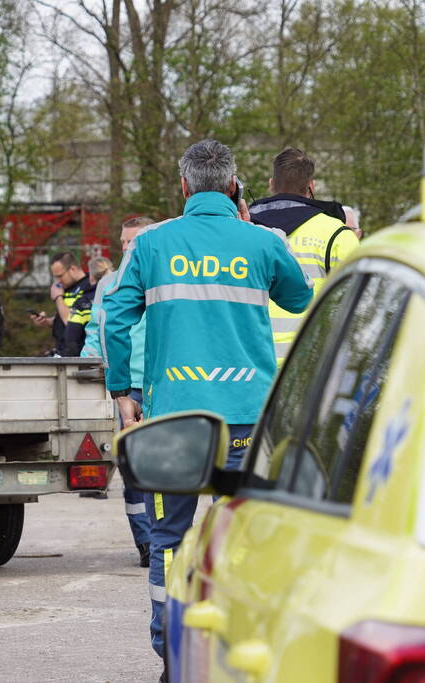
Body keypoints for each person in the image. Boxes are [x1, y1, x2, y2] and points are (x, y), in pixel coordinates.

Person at [103, 139, 313, 663]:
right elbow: (301, 297)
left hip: (175, 420)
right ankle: (235, 648)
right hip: (247, 417)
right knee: (244, 539)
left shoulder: (151, 245)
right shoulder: (262, 243)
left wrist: (121, 392)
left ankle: (172, 649)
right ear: (234, 186)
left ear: (184, 186)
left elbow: (114, 317)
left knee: (169, 538)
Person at [81, 216, 157, 568]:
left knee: (163, 469)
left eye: (133, 242)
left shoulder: (163, 278)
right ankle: (145, 542)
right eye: (124, 242)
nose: (127, 248)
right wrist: (85, 366)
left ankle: (165, 536)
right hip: (126, 390)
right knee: (133, 470)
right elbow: (98, 331)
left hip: (161, 384)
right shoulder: (108, 283)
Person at [248, 147, 361, 368]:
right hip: (307, 373)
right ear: (312, 186)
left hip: (253, 369)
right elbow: (356, 312)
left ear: (272, 184)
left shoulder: (244, 230)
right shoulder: (338, 235)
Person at [29, 251, 96, 356]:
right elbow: (63, 318)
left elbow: (72, 322)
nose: (58, 281)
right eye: (55, 277)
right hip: (61, 351)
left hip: (79, 355)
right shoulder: (66, 287)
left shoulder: (89, 287)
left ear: (73, 269)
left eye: (60, 276)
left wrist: (58, 298)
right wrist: (48, 322)